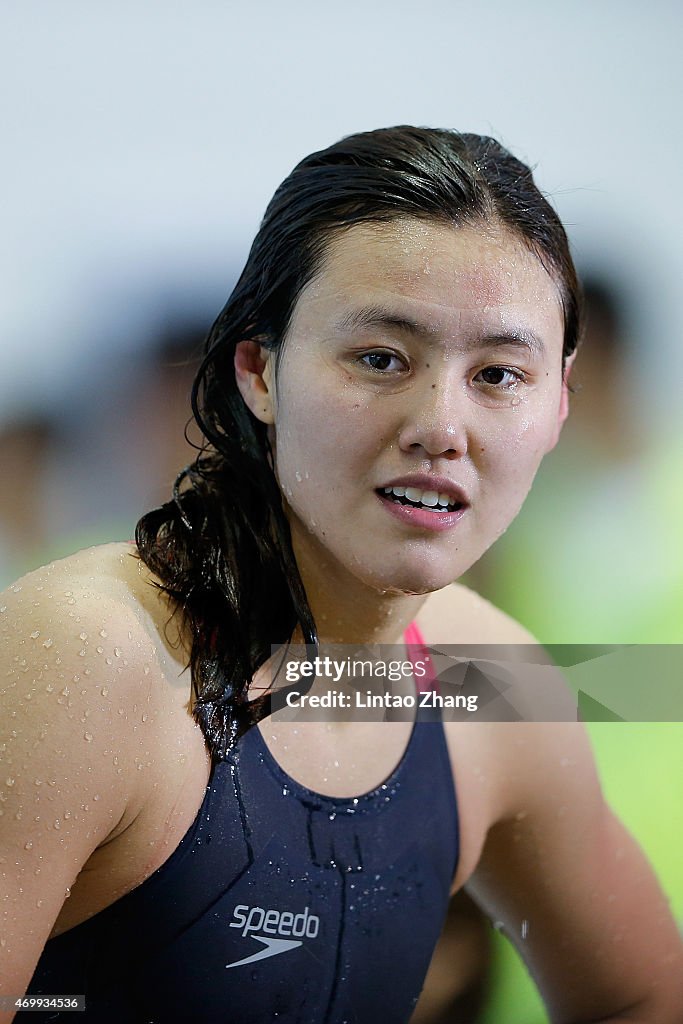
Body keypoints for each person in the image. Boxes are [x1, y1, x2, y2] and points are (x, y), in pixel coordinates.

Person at [1, 126, 681, 1024]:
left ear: (558, 402)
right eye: (380, 359)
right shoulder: (90, 657)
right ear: (259, 371)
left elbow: (636, 995)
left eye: (498, 374)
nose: (442, 423)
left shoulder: (486, 676)